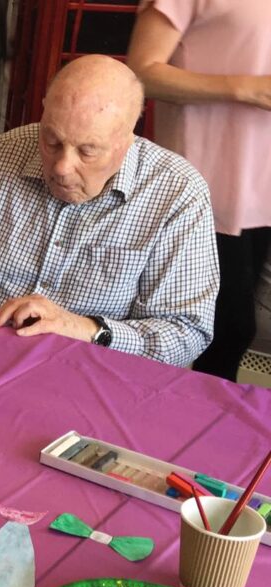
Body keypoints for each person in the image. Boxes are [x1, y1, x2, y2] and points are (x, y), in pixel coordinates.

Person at [0, 54, 219, 368]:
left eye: (87, 151)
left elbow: (186, 332)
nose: (62, 167)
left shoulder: (177, 193)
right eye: (51, 141)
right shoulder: (2, 153)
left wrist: (86, 329)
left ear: (127, 139)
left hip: (85, 376)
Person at [127, 1, 271, 381]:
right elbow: (141, 72)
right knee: (228, 329)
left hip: (263, 190)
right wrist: (246, 88)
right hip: (209, 189)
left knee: (237, 331)